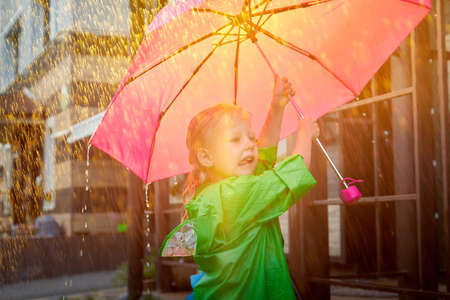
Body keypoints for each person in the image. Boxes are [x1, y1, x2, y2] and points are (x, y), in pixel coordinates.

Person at [162, 76, 319, 300]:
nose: (249, 145)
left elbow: (263, 159)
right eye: (235, 139)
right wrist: (304, 134)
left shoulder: (217, 191)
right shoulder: (234, 196)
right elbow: (291, 176)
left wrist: (277, 107)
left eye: (251, 138)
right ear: (206, 156)